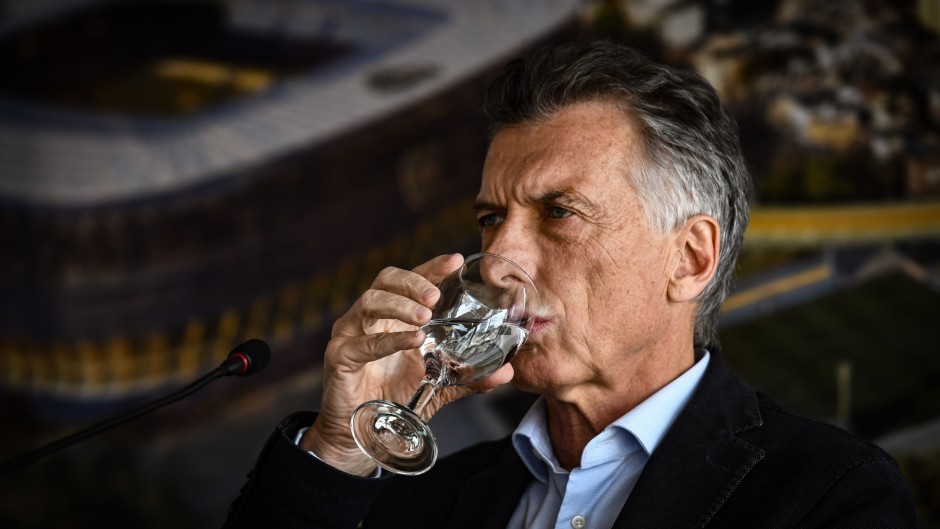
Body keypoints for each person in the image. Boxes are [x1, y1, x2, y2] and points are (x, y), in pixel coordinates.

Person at [223, 40, 915, 528]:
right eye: (491, 219)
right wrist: (340, 450)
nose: (500, 256)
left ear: (689, 259)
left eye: (559, 212)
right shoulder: (430, 500)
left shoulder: (828, 496)